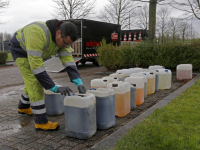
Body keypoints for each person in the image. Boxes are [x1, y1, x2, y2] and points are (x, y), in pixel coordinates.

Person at [9, 19, 87, 131]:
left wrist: (78, 82)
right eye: (65, 43)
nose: (66, 46)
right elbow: (37, 67)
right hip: (20, 51)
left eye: (69, 44)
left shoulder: (62, 41)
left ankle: (23, 107)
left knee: (32, 81)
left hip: (32, 51)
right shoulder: (37, 33)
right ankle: (41, 122)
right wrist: (53, 88)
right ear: (58, 33)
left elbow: (69, 61)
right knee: (34, 82)